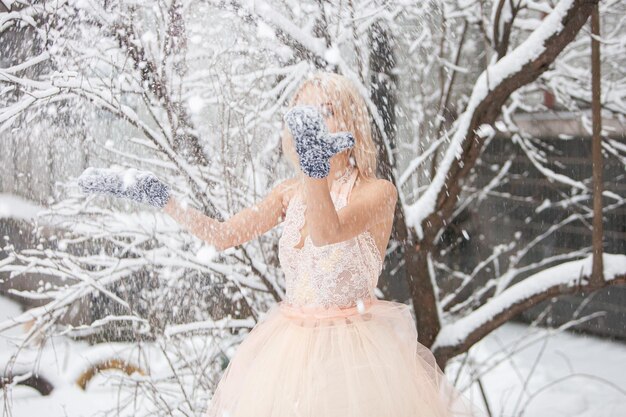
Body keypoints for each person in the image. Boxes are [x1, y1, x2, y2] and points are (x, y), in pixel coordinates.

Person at [78, 71, 485, 417]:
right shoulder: (287, 193)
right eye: (305, 114)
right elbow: (222, 236)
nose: (314, 122)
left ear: (350, 122)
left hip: (354, 355)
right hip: (290, 349)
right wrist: (163, 198)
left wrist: (315, 168)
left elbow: (327, 232)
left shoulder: (376, 192)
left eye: (326, 111)